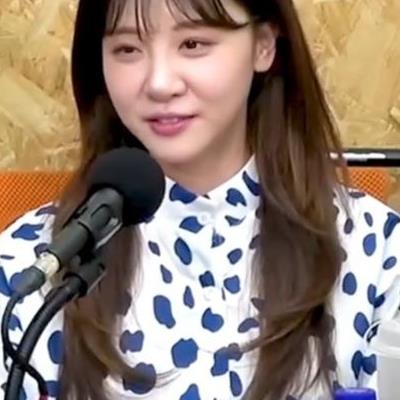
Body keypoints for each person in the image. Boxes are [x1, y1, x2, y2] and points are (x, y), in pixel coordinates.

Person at [0, 0, 399, 399]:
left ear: (263, 44)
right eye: (127, 49)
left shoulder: (378, 252)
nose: (159, 83)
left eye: (192, 44)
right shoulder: (30, 266)